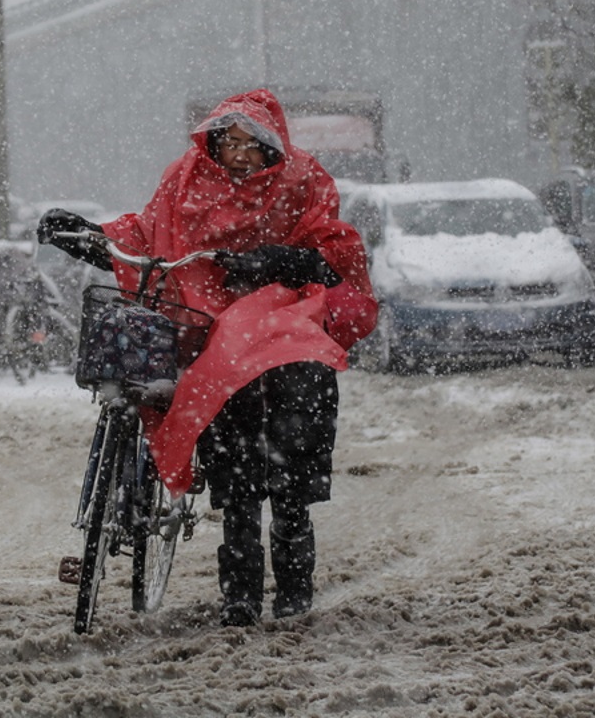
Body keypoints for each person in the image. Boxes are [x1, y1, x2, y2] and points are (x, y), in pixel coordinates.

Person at [38, 88, 378, 627]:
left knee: (291, 472)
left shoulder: (303, 180)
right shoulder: (185, 178)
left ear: (273, 146)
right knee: (237, 478)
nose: (240, 154)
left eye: (253, 143)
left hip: (286, 328)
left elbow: (335, 252)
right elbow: (150, 232)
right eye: (231, 142)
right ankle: (239, 597)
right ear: (213, 143)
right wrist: (93, 237)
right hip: (207, 330)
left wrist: (276, 261)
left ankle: (293, 583)